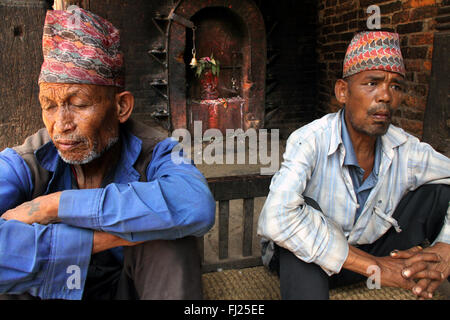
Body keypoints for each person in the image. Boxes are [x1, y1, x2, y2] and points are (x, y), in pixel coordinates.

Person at [0, 7, 215, 300]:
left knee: (171, 243)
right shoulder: (25, 161)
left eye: (78, 103)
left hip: (129, 290)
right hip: (49, 291)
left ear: (121, 107)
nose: (61, 125)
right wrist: (98, 240)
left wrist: (54, 205)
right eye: (49, 105)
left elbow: (196, 204)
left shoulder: (157, 150)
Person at [258, 30, 450, 300]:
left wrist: (446, 247)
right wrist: (378, 267)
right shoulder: (309, 140)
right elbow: (275, 219)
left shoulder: (406, 147)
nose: (385, 96)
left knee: (440, 192)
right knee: (301, 214)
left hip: (372, 246)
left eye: (395, 86)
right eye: (372, 83)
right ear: (342, 92)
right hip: (315, 261)